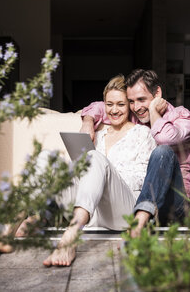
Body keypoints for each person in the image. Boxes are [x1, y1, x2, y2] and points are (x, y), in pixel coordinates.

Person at [42, 74, 157, 266]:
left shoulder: (142, 134)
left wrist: (107, 175)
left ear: (129, 106)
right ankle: (16, 222)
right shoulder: (98, 135)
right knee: (47, 157)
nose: (114, 110)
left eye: (120, 104)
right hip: (93, 212)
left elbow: (143, 179)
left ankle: (71, 236)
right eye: (109, 104)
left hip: (124, 210)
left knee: (95, 158)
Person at [80, 69, 190, 237]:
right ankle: (140, 220)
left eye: (141, 99)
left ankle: (138, 224)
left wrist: (154, 111)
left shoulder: (182, 117)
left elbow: (164, 138)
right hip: (138, 204)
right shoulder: (137, 115)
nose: (137, 107)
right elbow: (102, 106)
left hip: (173, 204)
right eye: (131, 101)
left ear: (157, 94)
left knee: (162, 151)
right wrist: (88, 121)